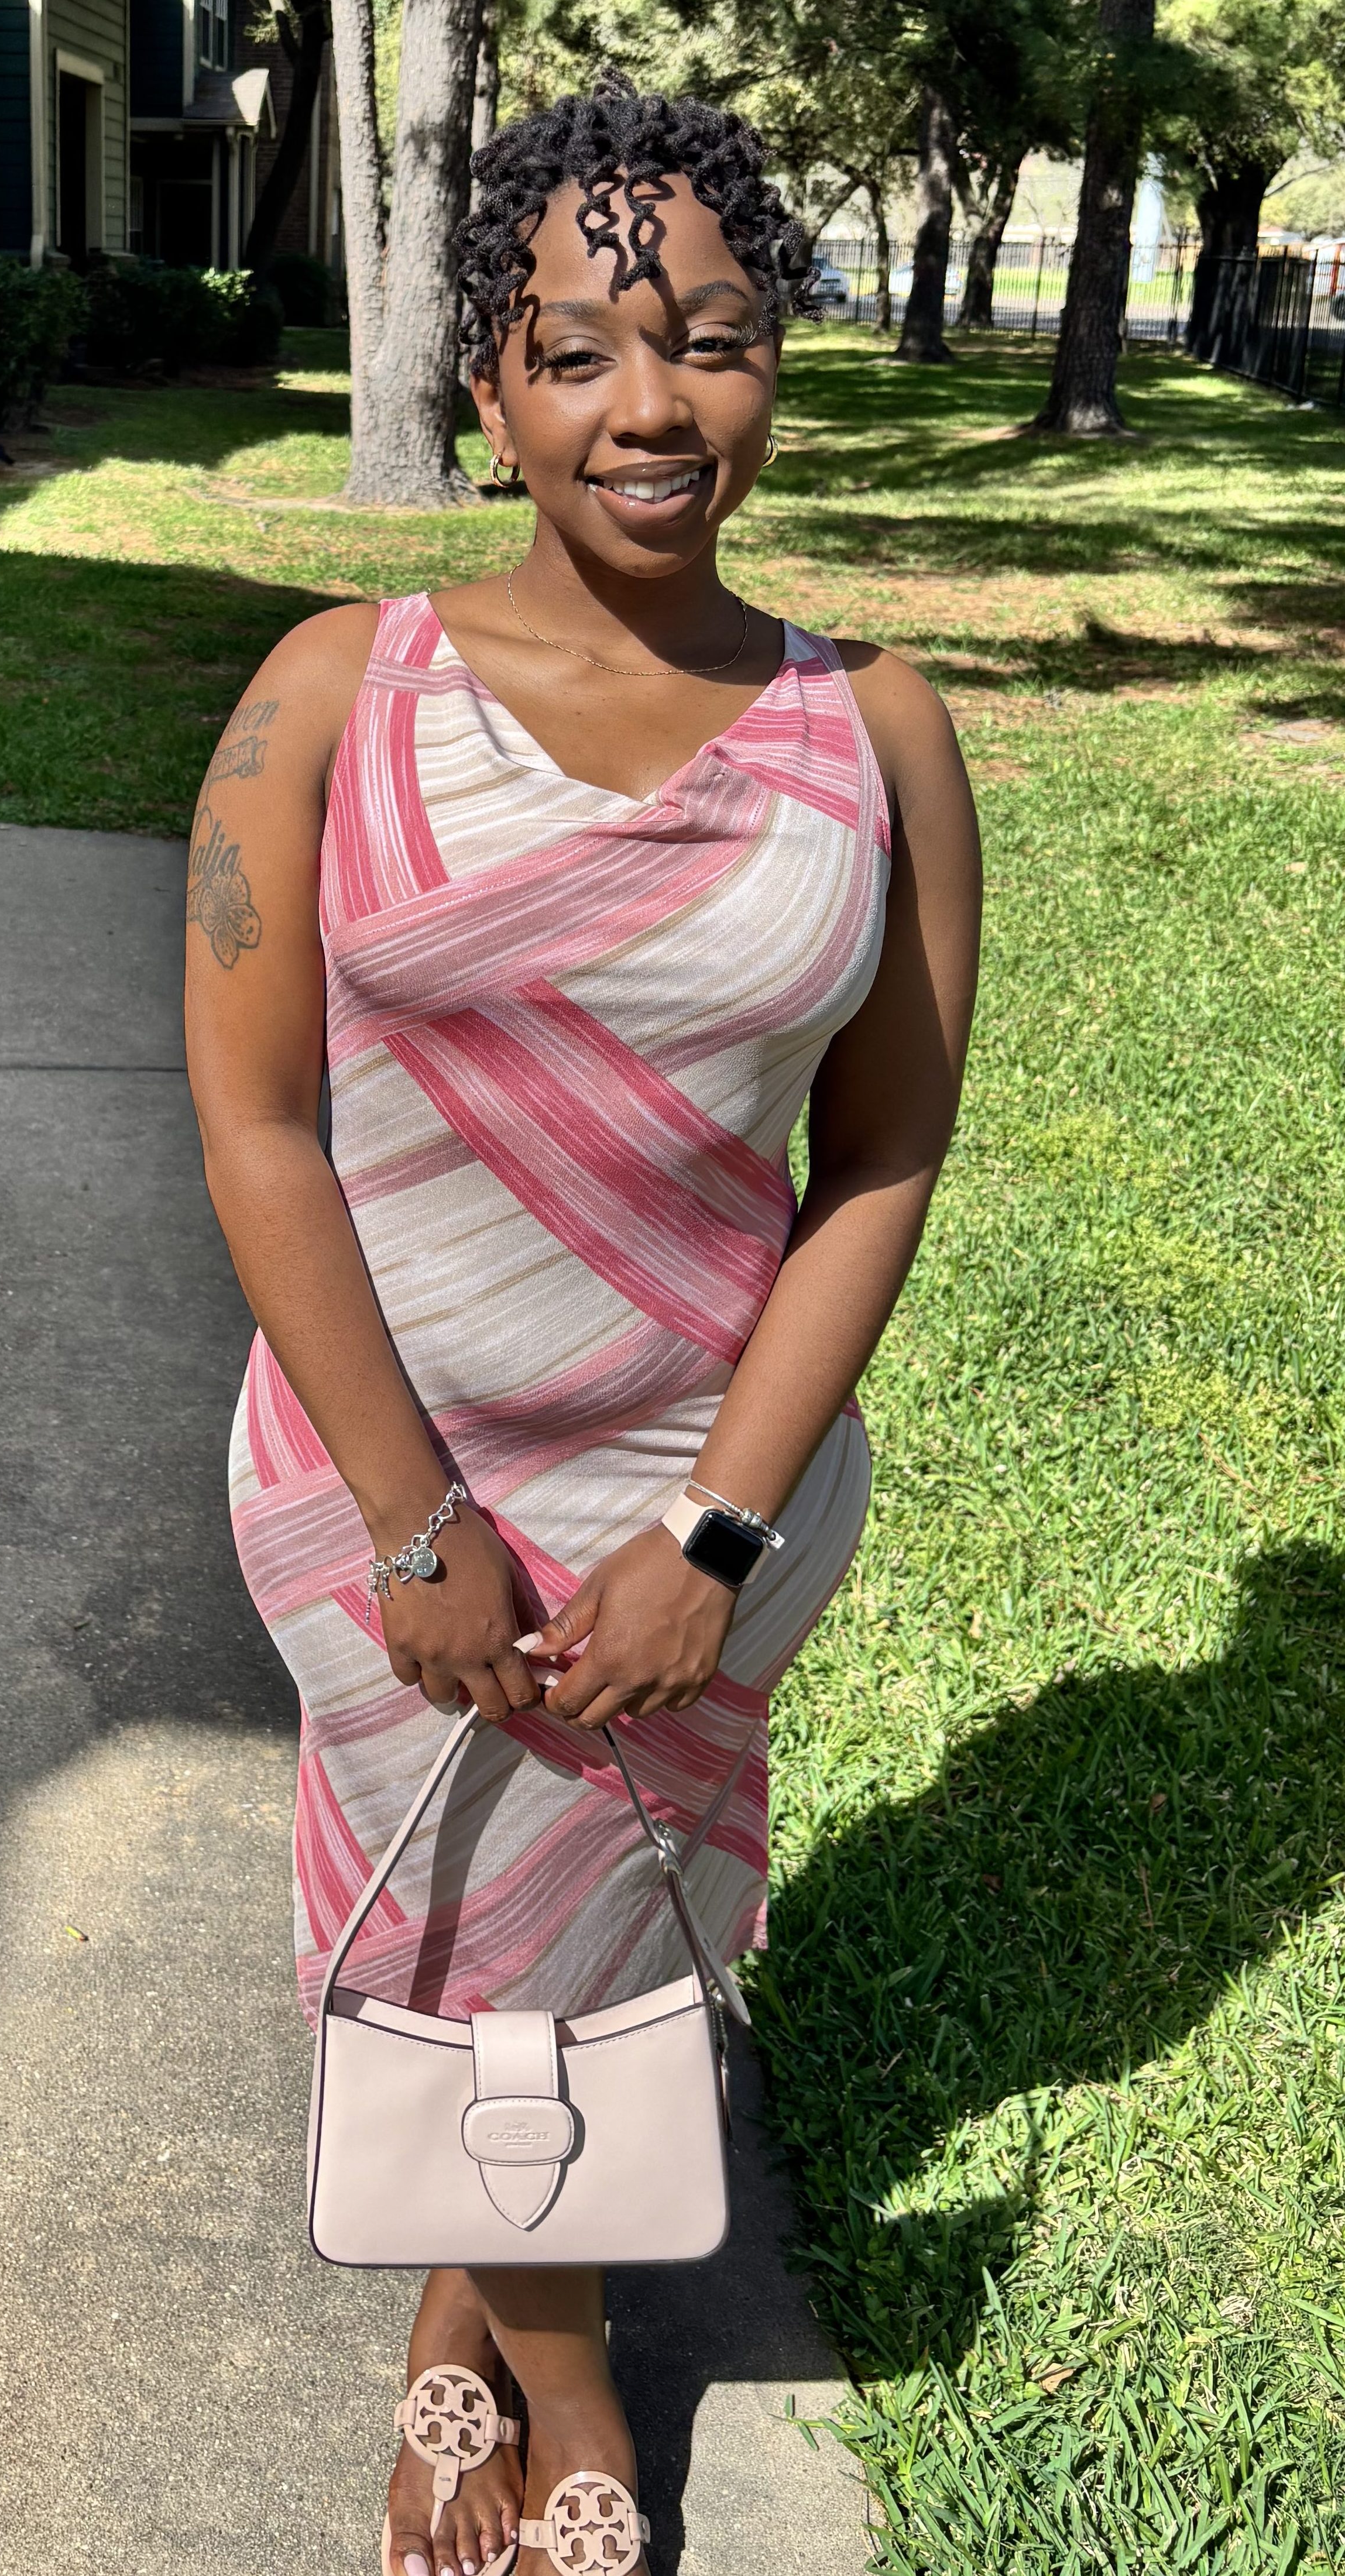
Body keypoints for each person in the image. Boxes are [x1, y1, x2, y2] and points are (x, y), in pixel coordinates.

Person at [185, 73, 981, 2576]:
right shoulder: (335, 690)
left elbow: (882, 1156)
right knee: (445, 1946)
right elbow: (258, 1126)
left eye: (712, 341)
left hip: (703, 1496)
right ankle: (562, 2374)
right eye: (580, 351)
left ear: (775, 367)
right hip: (384, 1482)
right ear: (493, 389)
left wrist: (714, 1536)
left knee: (616, 1944)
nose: (653, 405)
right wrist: (414, 1524)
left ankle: (471, 2301)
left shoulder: (878, 732)